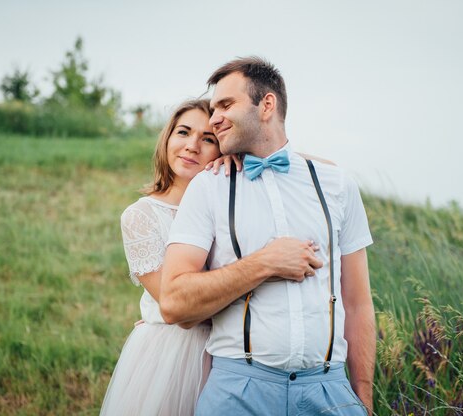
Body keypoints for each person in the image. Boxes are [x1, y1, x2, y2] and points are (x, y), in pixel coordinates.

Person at [161, 57, 375, 415]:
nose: (214, 118)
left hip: (331, 394)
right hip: (236, 393)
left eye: (226, 105)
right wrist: (265, 262)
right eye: (213, 108)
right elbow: (174, 303)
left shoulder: (337, 184)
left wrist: (363, 397)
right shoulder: (208, 187)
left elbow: (358, 303)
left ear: (267, 105)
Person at [100, 98, 316, 415]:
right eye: (183, 133)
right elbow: (182, 310)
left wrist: (244, 155)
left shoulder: (233, 201)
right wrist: (268, 269)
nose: (191, 146)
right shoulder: (141, 216)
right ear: (167, 139)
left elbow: (321, 166)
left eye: (208, 139)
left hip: (236, 351)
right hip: (173, 355)